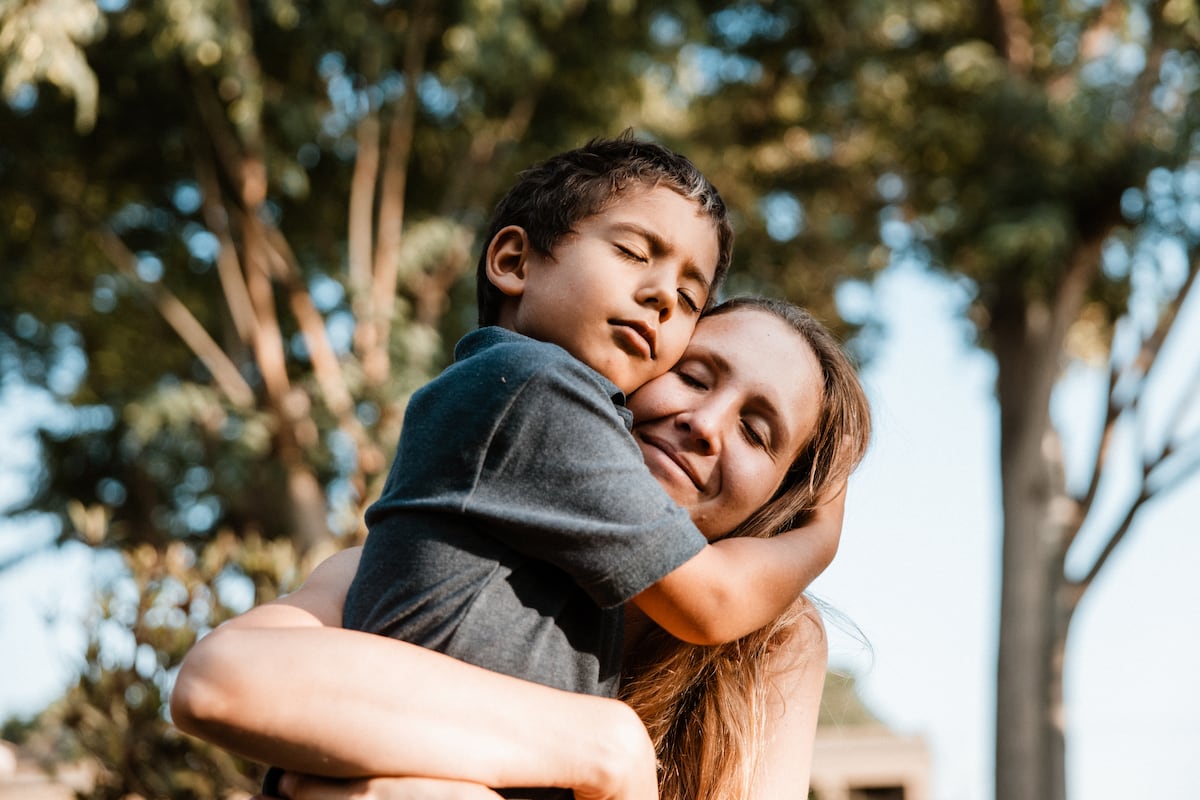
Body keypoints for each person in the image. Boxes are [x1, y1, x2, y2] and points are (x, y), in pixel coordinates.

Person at [171, 297, 873, 800]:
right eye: (693, 376)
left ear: (776, 504)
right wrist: (601, 748)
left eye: (757, 432)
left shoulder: (770, 646)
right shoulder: (444, 563)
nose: (705, 423)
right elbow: (222, 678)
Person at [340, 132, 845, 726]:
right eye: (634, 253)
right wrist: (824, 532)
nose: (661, 297)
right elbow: (714, 602)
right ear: (513, 262)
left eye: (688, 297)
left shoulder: (517, 397)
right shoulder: (534, 388)